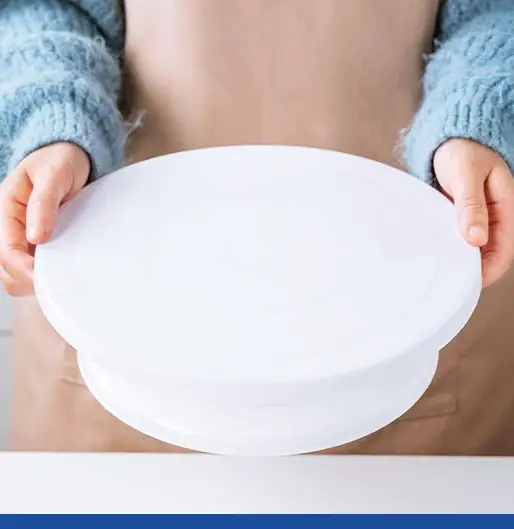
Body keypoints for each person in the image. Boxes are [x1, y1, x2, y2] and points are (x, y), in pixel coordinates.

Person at [1, 0, 514, 454]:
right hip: (119, 366)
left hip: (409, 361)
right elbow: (46, 8)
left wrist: (478, 114)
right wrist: (52, 120)